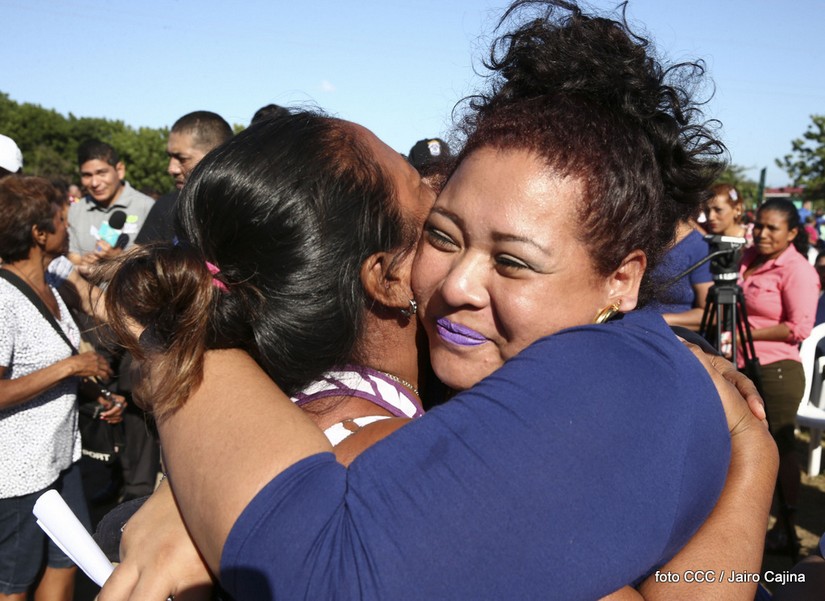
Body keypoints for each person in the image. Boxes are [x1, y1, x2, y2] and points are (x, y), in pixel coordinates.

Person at [99, 2, 777, 600]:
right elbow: (324, 562)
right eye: (441, 233)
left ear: (622, 279)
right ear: (383, 277)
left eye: (513, 260)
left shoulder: (620, 381)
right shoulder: (366, 443)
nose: (455, 283)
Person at [0, 176, 124, 601]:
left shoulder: (51, 283)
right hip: (17, 472)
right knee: (15, 581)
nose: (67, 226)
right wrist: (72, 365)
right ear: (38, 233)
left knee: (67, 560)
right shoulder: (3, 298)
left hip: (61, 457)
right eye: (60, 218)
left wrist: (94, 394)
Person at [739, 197, 820, 553]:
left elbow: (798, 327)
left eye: (772, 228)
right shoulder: (749, 258)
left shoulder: (798, 270)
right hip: (739, 362)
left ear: (791, 233)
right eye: (758, 225)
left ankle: (786, 524)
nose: (762, 233)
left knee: (782, 447)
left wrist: (743, 332)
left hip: (776, 371)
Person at [135, 111, 233, 245]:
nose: (171, 169)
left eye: (182, 159)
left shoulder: (245, 207)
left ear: (217, 156)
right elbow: (142, 258)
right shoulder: (165, 207)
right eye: (170, 157)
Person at [68, 140, 154, 270]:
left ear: (119, 170)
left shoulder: (147, 207)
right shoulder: (76, 210)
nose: (95, 183)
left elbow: (154, 264)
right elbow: (72, 256)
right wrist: (83, 262)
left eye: (102, 173)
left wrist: (118, 257)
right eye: (87, 175)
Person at [651, 217, 713, 331]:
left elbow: (711, 315)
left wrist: (657, 320)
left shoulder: (699, 247)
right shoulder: (642, 238)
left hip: (676, 336)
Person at [705, 183, 753, 247]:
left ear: (737, 210)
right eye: (707, 210)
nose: (710, 217)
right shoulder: (703, 236)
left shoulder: (754, 239)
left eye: (718, 210)